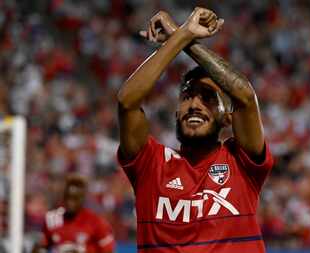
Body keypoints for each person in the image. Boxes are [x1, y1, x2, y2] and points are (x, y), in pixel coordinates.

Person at [117, 7, 274, 253]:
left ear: (227, 118)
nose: (195, 105)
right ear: (177, 113)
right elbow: (127, 102)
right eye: (188, 96)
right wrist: (182, 36)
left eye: (208, 98)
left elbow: (244, 94)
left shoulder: (242, 162)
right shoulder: (151, 164)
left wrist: (180, 36)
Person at [32, 174, 115, 253]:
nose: (70, 203)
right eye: (67, 197)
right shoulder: (52, 219)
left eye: (75, 199)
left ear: (82, 199)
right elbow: (41, 246)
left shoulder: (96, 222)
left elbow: (109, 251)